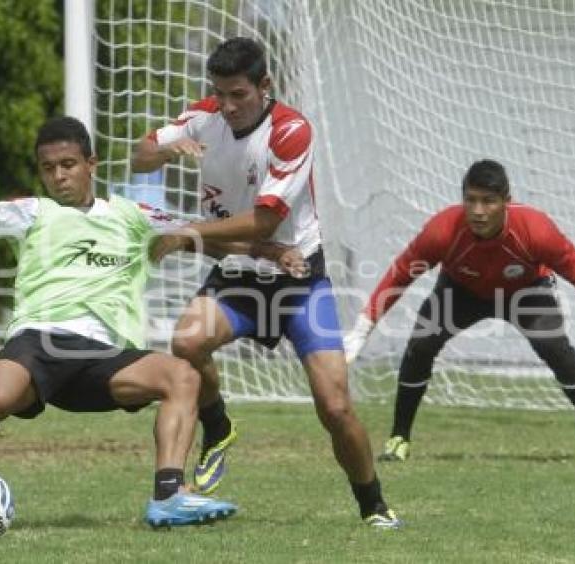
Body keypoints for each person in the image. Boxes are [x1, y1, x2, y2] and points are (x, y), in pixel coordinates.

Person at [0, 116, 254, 531]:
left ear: (91, 164)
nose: (58, 176)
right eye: (48, 168)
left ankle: (168, 497)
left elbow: (205, 236)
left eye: (67, 164)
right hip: (38, 343)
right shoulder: (34, 211)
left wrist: (272, 247)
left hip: (104, 356)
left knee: (182, 375)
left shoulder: (132, 215)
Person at [131, 37, 401, 529]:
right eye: (220, 94)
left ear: (264, 85)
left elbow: (262, 221)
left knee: (336, 407)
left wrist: (187, 232)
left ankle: (374, 505)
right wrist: (165, 151)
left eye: (238, 95)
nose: (228, 106)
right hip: (238, 276)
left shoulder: (292, 131)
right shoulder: (204, 116)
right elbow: (139, 156)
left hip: (297, 282)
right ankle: (219, 428)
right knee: (187, 341)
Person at [344, 159, 575, 464]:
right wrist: (361, 331)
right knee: (421, 344)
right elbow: (401, 274)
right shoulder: (443, 230)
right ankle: (398, 440)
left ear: (507, 201)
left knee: (555, 348)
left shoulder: (536, 230)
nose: (478, 211)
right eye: (470, 200)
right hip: (462, 289)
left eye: (488, 201)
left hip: (526, 290)